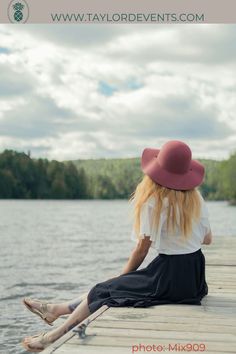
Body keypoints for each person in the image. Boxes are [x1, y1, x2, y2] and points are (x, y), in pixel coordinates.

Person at [22, 140, 212, 352]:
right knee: (110, 288)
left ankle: (55, 335)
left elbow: (142, 250)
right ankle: (56, 310)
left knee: (105, 289)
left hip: (167, 277)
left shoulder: (154, 202)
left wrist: (121, 278)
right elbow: (207, 239)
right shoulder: (198, 200)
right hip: (194, 279)